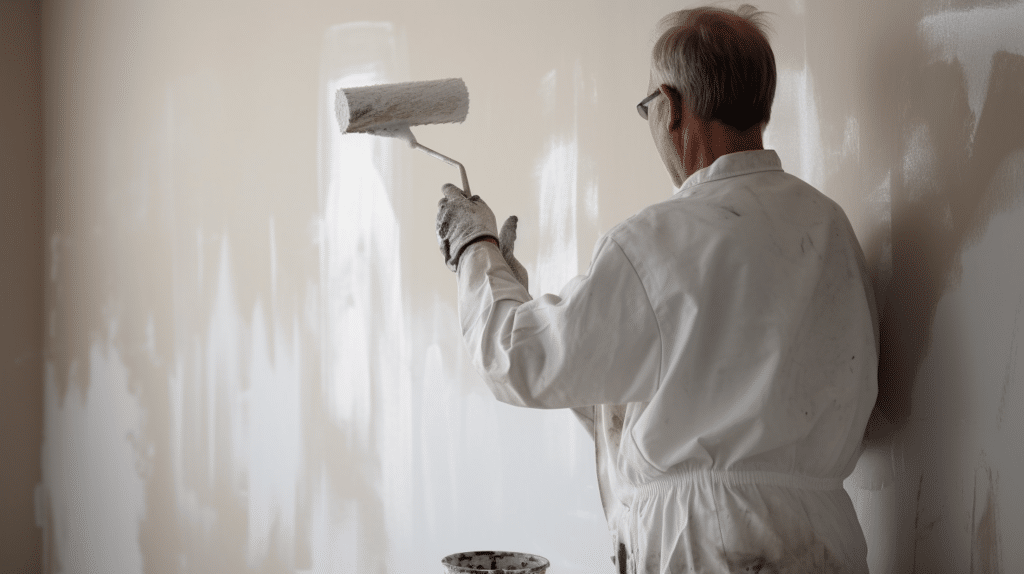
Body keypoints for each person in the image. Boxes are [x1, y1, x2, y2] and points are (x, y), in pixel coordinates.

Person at [435, 4, 878, 573]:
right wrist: (508, 286)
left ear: (670, 108)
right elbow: (676, 385)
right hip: (828, 541)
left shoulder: (658, 239)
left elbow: (518, 360)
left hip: (708, 543)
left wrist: (474, 250)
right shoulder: (830, 228)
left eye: (646, 106)